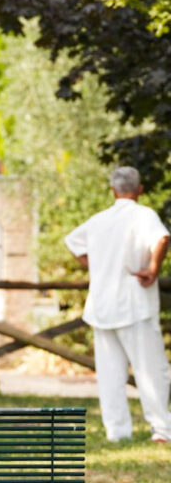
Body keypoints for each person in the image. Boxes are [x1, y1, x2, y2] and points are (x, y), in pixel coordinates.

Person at [65, 166, 171, 444]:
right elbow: (162, 238)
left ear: (113, 191)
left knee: (110, 374)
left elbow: (73, 242)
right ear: (140, 190)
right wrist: (152, 268)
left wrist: (97, 267)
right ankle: (161, 429)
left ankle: (117, 431)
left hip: (102, 305)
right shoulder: (144, 215)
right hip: (134, 304)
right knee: (151, 369)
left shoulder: (99, 220)